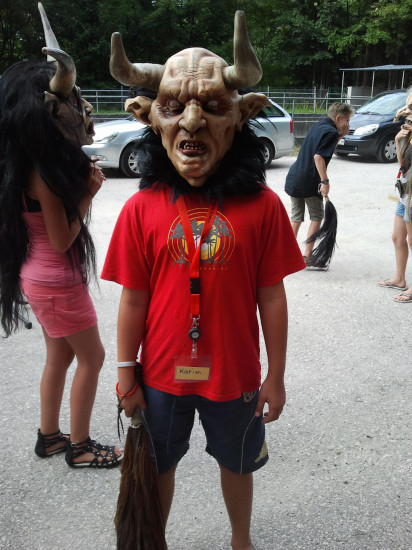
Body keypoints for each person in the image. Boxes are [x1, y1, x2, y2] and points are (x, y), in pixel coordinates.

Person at [102, 11, 305, 550]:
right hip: (160, 376)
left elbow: (272, 296)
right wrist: (125, 373)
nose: (191, 123)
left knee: (238, 464)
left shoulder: (263, 207)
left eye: (212, 107)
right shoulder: (141, 208)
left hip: (235, 375)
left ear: (243, 114)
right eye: (173, 108)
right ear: (149, 117)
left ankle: (241, 541)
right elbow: (133, 300)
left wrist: (277, 374)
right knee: (157, 465)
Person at [0, 4, 122, 468]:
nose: (81, 111)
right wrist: (88, 194)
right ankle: (81, 447)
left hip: (40, 280)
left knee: (60, 358)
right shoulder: (43, 177)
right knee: (93, 358)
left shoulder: (25, 167)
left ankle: (50, 437)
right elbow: (61, 240)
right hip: (56, 280)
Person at [285, 102, 353, 266]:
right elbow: (319, 157)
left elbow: (324, 148)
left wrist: (340, 136)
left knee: (296, 218)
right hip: (310, 181)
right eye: (347, 120)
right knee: (317, 217)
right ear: (338, 118)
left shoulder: (320, 125)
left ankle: (287, 254)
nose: (348, 124)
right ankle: (307, 256)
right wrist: (324, 181)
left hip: (295, 177)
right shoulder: (331, 132)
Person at [378, 99, 412, 303]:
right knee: (397, 237)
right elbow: (402, 165)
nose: (407, 122)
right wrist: (399, 141)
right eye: (406, 119)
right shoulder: (409, 137)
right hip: (405, 193)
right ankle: (400, 279)